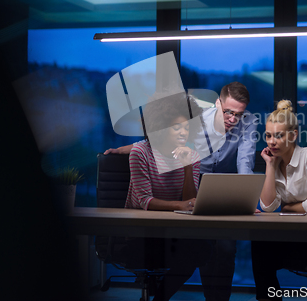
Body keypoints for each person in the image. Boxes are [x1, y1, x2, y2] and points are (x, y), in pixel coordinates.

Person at [105, 82, 259, 301]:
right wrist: (125, 149)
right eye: (228, 112)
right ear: (218, 103)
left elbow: (244, 161)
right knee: (201, 249)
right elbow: (160, 141)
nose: (233, 119)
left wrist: (246, 196)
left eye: (239, 114)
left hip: (208, 190)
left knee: (217, 249)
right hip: (157, 221)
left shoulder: (196, 151)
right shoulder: (152, 146)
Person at [122, 91, 212, 301]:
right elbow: (146, 201)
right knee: (191, 252)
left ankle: (160, 298)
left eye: (187, 127)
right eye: (176, 127)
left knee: (203, 248)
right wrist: (182, 205)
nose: (183, 132)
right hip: (141, 235)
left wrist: (188, 167)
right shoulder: (140, 152)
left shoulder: (192, 155)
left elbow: (191, 201)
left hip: (174, 234)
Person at [251, 100, 307, 301]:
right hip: (295, 238)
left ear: (293, 135)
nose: (272, 141)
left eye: (279, 135)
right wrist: (269, 166)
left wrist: (288, 207)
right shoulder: (274, 163)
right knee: (259, 244)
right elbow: (267, 207)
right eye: (268, 136)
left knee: (262, 250)